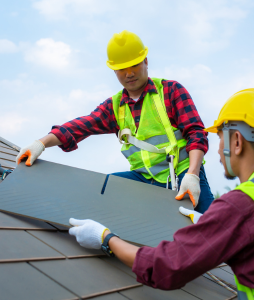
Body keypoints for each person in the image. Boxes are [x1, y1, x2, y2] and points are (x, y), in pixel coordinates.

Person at [68, 89, 254, 300]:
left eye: (220, 138)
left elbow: (168, 266)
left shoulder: (241, 204)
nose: (218, 150)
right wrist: (217, 226)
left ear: (237, 142)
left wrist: (106, 238)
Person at [16, 30, 214, 213]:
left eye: (134, 64)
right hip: (143, 178)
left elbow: (196, 133)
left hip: (183, 174)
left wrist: (193, 174)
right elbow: (81, 126)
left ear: (146, 61)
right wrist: (40, 144)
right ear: (114, 71)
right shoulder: (115, 106)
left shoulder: (170, 91)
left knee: (214, 227)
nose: (129, 73)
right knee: (105, 190)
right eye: (121, 68)